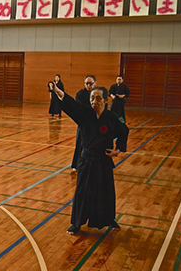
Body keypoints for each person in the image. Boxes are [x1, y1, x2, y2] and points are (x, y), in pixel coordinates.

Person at [50, 81, 129, 235]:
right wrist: (56, 90)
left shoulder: (112, 117)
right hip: (86, 160)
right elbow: (70, 103)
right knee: (82, 192)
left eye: (98, 98)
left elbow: (124, 131)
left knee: (105, 192)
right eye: (92, 98)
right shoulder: (85, 114)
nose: (94, 101)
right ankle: (77, 223)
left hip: (103, 161)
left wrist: (118, 150)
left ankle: (109, 219)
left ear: (105, 100)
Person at [71, 75, 97, 174]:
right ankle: (76, 165)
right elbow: (79, 108)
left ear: (95, 83)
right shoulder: (80, 94)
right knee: (80, 144)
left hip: (95, 123)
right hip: (83, 123)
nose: (88, 85)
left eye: (90, 83)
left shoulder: (97, 93)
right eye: (86, 83)